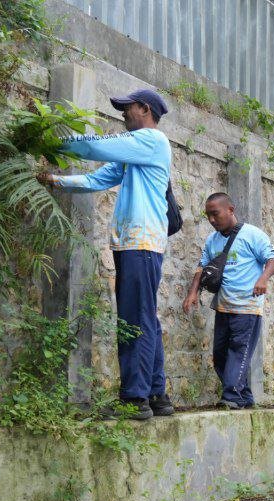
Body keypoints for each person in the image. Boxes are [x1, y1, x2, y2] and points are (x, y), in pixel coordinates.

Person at [40, 88, 174, 420]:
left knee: (134, 321)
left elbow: (96, 146)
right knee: (146, 319)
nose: (122, 115)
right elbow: (97, 179)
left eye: (126, 109)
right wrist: (56, 181)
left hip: (139, 244)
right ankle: (157, 395)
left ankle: (135, 399)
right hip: (139, 245)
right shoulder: (134, 158)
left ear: (144, 109)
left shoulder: (152, 141)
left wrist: (53, 142)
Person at [181, 193, 274, 409]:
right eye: (208, 216)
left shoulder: (253, 235)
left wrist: (263, 278)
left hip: (247, 307)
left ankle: (232, 396)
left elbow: (272, 259)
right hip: (223, 306)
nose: (212, 220)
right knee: (219, 356)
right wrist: (192, 293)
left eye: (215, 214)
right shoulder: (212, 240)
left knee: (238, 351)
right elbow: (201, 267)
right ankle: (244, 396)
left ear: (230, 210)